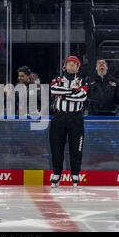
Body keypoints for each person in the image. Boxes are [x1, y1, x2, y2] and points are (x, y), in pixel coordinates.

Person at [49, 55, 88, 188]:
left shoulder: (82, 80)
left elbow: (82, 96)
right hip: (59, 116)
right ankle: (56, 173)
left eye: (74, 64)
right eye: (69, 63)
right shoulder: (57, 79)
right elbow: (54, 90)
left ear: (78, 67)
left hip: (75, 117)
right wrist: (72, 91)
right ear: (64, 66)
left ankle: (75, 174)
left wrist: (64, 94)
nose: (71, 66)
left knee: (76, 147)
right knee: (56, 146)